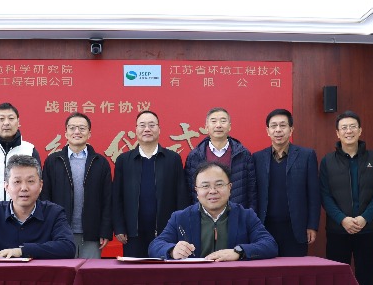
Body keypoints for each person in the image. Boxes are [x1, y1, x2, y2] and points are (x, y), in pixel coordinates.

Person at [320, 110, 373, 285]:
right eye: (344, 127)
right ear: (337, 133)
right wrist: (342, 219)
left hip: (368, 231)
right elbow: (325, 195)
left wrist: (365, 218)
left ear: (360, 130)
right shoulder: (328, 161)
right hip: (338, 232)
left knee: (366, 280)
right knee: (337, 281)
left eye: (352, 126)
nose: (348, 131)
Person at [0, 155, 75, 259]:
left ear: (41, 185)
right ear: (6, 186)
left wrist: (22, 251)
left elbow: (68, 247)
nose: (24, 188)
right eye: (17, 182)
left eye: (30, 181)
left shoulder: (54, 213)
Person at [149, 162, 277, 261]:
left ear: (230, 188)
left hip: (233, 280)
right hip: (193, 280)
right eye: (205, 186)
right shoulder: (180, 218)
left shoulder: (246, 216)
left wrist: (239, 252)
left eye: (219, 184)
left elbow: (269, 245)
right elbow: (155, 246)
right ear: (197, 191)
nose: (212, 191)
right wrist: (172, 250)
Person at [113, 110, 190, 257]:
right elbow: (117, 197)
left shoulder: (172, 159)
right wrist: (119, 227)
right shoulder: (124, 160)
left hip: (166, 231)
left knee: (164, 269)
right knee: (134, 270)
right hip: (132, 233)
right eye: (142, 125)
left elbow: (181, 196)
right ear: (136, 130)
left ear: (159, 129)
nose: (147, 129)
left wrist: (180, 227)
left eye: (152, 125)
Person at [41, 112, 112, 258]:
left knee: (91, 271)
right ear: (66, 133)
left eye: (82, 128)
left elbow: (108, 199)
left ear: (89, 133)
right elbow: (45, 197)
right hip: (60, 232)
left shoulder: (100, 162)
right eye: (72, 128)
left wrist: (105, 230)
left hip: (92, 233)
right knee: (63, 271)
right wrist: (47, 228)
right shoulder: (53, 161)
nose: (77, 132)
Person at [253, 109, 320, 256]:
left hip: (296, 228)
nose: (278, 130)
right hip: (265, 228)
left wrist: (312, 225)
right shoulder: (257, 158)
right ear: (268, 131)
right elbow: (254, 194)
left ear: (291, 129)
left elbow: (314, 194)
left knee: (295, 269)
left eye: (283, 125)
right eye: (274, 126)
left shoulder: (306, 155)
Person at [184, 107, 257, 211]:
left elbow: (252, 191)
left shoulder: (243, 154)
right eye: (213, 121)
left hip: (236, 213)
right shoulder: (194, 156)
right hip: (204, 215)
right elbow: (189, 192)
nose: (218, 125)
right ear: (206, 127)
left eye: (223, 121)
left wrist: (249, 215)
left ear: (229, 126)